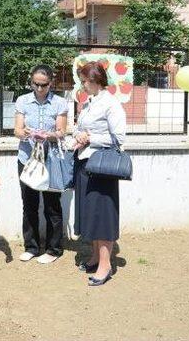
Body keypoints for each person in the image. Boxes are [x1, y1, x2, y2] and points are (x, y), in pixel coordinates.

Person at [73, 61, 126, 286]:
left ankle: (105, 265)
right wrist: (78, 135)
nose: (82, 85)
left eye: (84, 81)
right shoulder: (89, 102)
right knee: (90, 213)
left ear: (95, 80)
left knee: (102, 216)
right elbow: (80, 127)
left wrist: (90, 138)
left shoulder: (111, 104)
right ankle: (95, 257)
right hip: (85, 163)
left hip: (102, 167)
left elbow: (119, 139)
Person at [14, 64, 69, 264]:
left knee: (52, 205)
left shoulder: (60, 103)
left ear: (50, 83)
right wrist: (27, 133)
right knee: (29, 204)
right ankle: (32, 247)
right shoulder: (22, 101)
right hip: (27, 159)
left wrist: (49, 135)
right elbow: (17, 131)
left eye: (43, 85)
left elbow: (62, 132)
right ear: (31, 82)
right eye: (35, 84)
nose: (39, 88)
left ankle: (54, 249)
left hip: (50, 159)